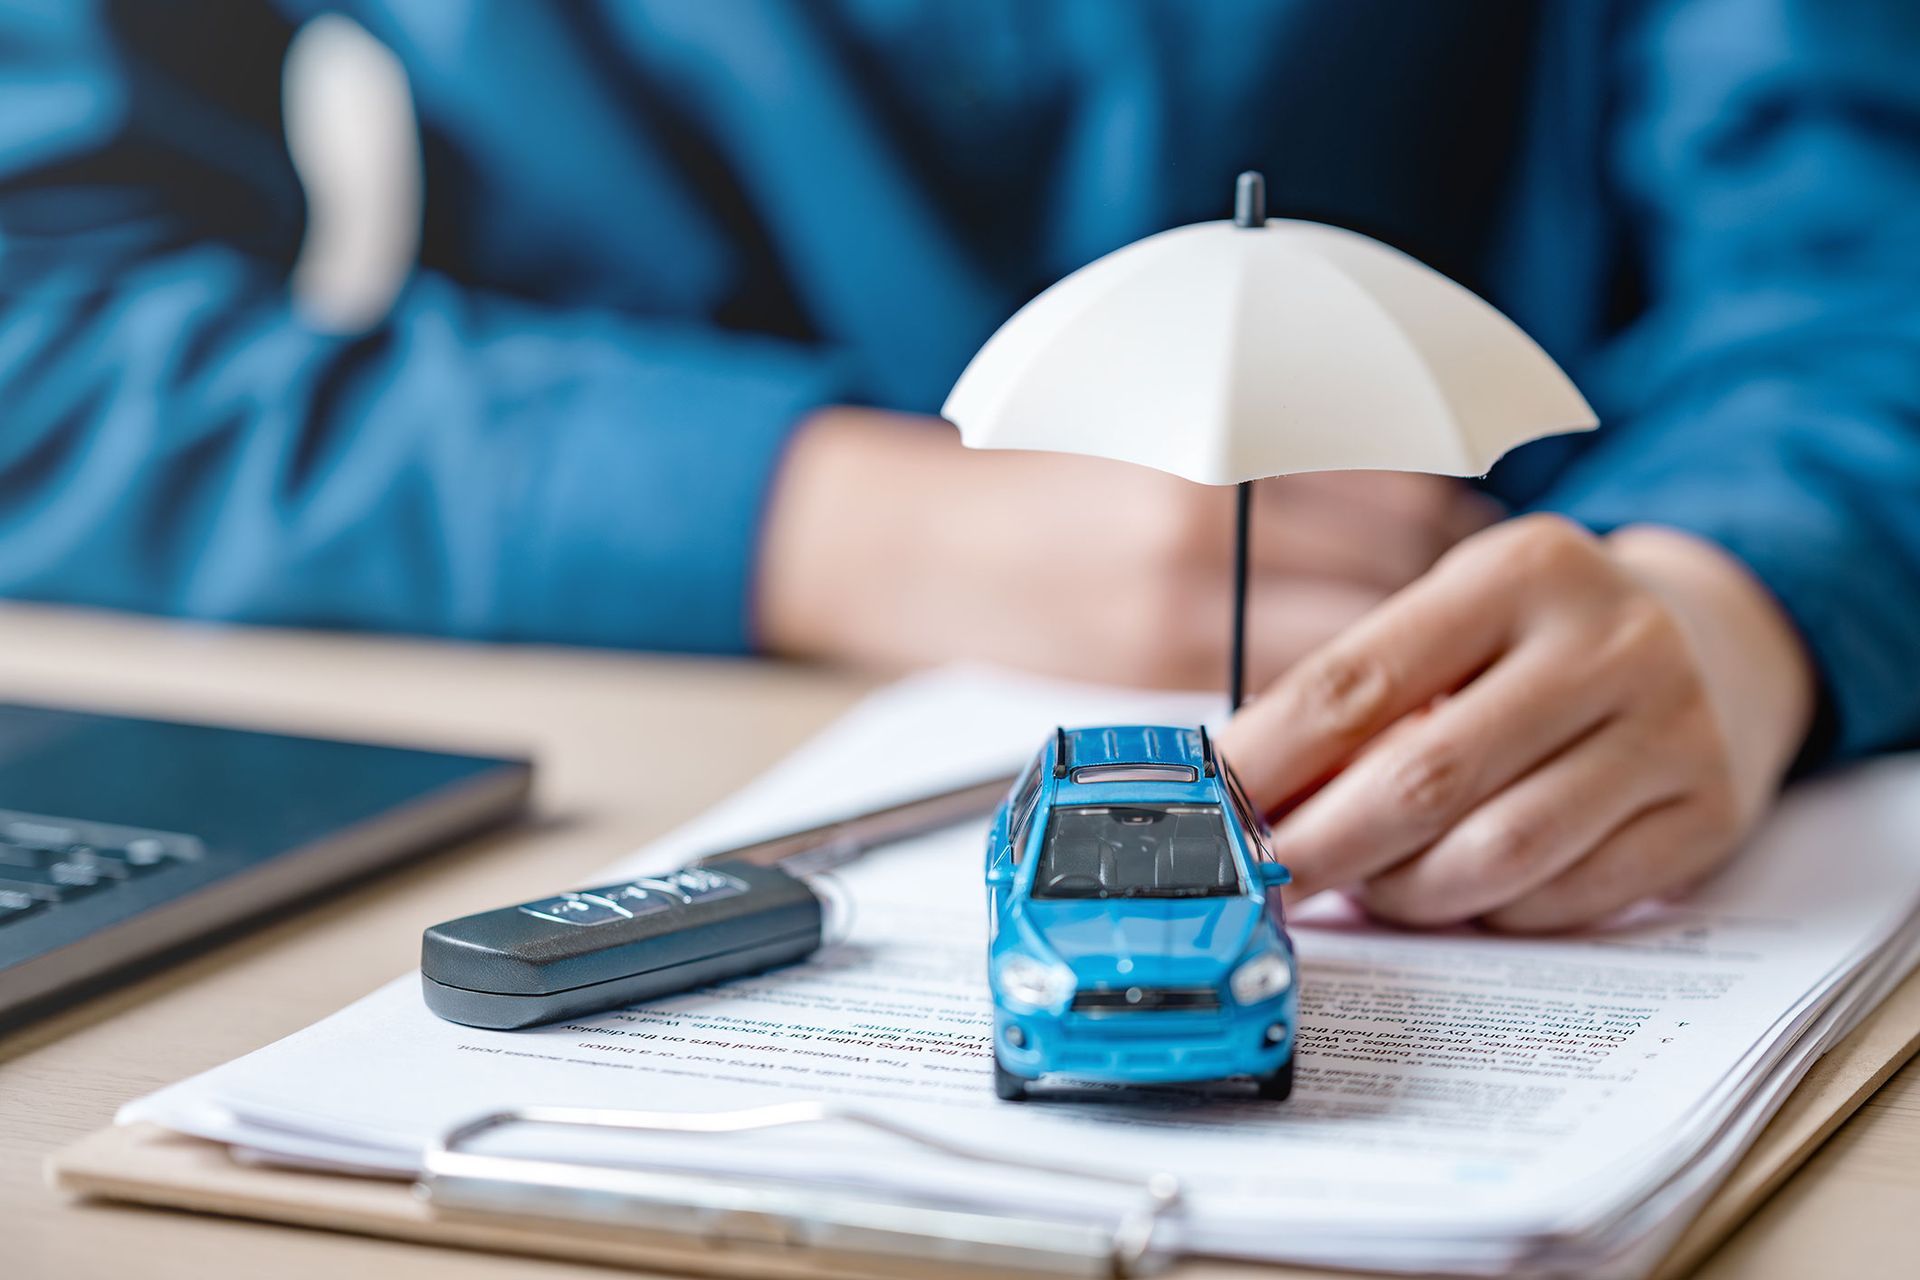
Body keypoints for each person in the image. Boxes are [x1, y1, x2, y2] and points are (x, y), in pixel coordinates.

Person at [1, 2, 1916, 932]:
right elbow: (33, 305)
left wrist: (1740, 597)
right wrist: (827, 517)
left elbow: (1870, 244)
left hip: (1556, 677)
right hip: (638, 711)